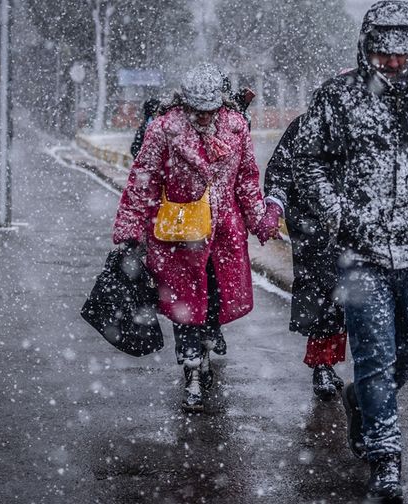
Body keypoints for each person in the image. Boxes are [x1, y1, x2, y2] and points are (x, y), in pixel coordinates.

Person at [293, 1, 408, 501]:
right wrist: (340, 214)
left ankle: (361, 401)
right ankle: (385, 456)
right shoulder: (338, 97)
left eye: (401, 54)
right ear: (367, 50)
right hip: (361, 253)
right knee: (374, 357)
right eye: (382, 53)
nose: (391, 63)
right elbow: (307, 161)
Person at [112, 62, 279, 412]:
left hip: (223, 235)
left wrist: (260, 219)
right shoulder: (163, 130)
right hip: (178, 234)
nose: (204, 118)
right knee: (185, 306)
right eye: (197, 111)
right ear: (184, 104)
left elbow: (247, 178)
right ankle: (192, 372)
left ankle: (206, 344)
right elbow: (143, 180)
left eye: (210, 111)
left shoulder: (236, 127)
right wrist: (131, 230)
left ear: (220, 105)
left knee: (214, 299)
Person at [262, 113, 347, 401]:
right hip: (313, 225)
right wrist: (275, 206)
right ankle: (321, 364)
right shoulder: (306, 126)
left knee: (344, 297)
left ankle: (331, 361)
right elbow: (279, 171)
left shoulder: (368, 123)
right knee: (322, 291)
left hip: (352, 227)